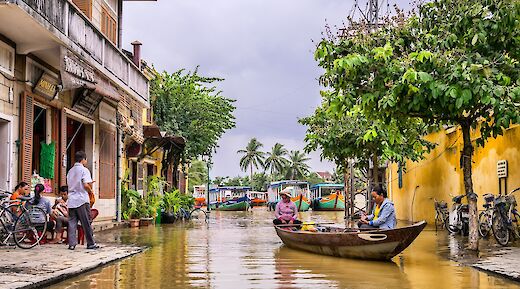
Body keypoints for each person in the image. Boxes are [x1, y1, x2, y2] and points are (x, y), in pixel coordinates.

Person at [67, 151, 98, 250]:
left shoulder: (70, 171)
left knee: (72, 222)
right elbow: (85, 185)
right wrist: (90, 189)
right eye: (86, 159)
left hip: (71, 199)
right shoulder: (84, 170)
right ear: (83, 159)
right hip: (81, 199)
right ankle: (91, 243)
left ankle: (72, 244)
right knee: (86, 222)